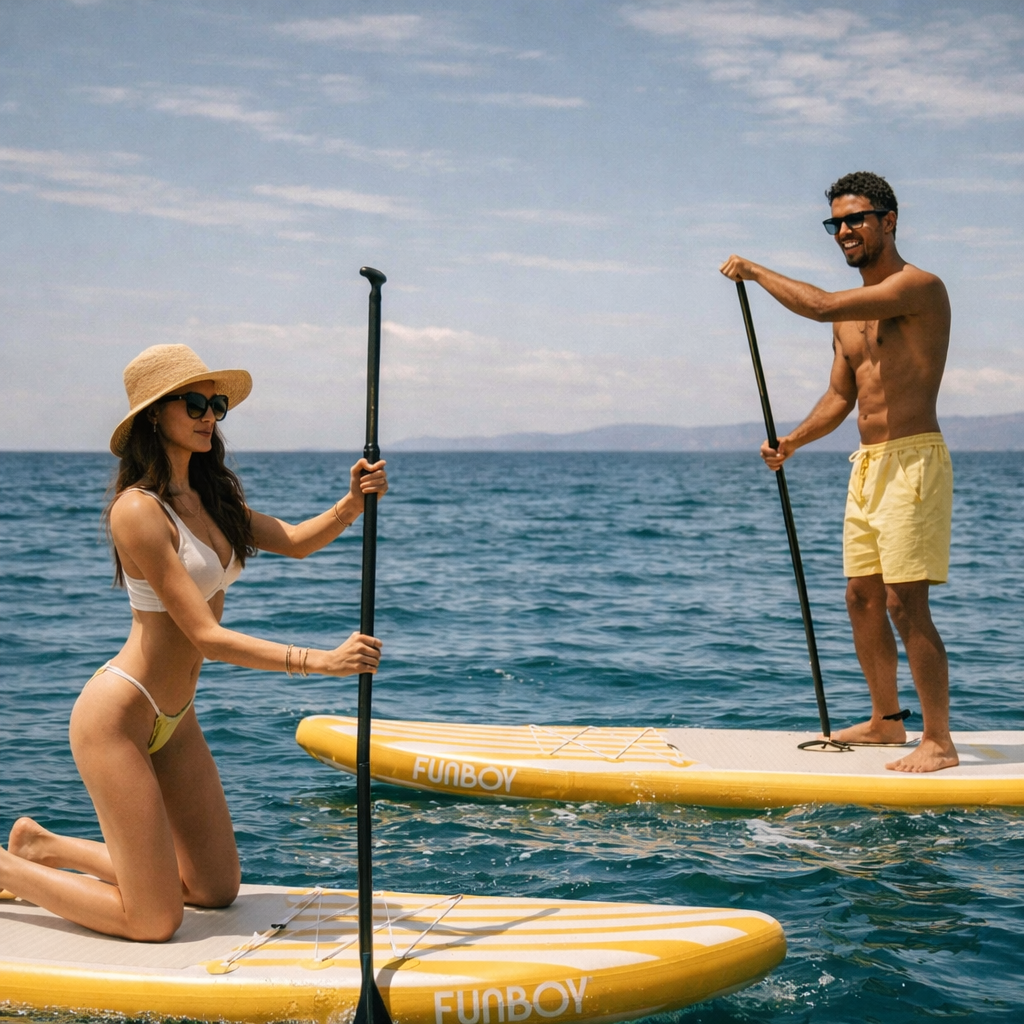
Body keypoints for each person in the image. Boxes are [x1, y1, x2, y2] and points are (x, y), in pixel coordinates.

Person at [0, 343, 388, 939]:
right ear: (155, 414)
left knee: (214, 888)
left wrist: (353, 501)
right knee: (155, 921)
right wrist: (323, 662)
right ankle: (8, 867)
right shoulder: (137, 510)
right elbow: (205, 636)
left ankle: (42, 846)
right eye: (196, 404)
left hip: (176, 717)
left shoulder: (209, 498)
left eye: (217, 405)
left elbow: (296, 540)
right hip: (118, 717)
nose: (211, 416)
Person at [719, 171, 957, 773]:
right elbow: (840, 396)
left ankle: (939, 741)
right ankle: (886, 721)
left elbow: (820, 302)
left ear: (889, 221)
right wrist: (792, 442)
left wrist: (755, 271)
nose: (844, 231)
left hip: (914, 460)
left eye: (855, 219)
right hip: (868, 466)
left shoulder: (919, 287)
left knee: (905, 603)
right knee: (861, 597)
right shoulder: (847, 321)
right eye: (835, 223)